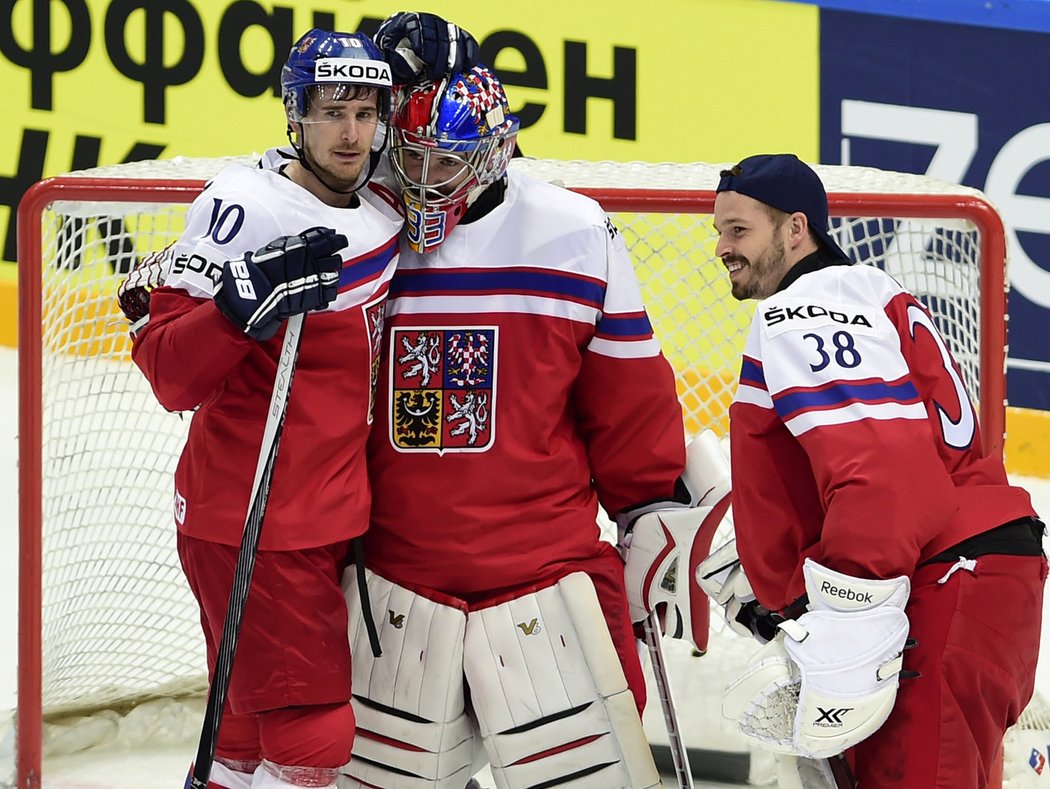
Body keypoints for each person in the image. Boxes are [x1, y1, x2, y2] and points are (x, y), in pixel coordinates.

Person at [336, 58, 733, 789]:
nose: (423, 179)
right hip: (391, 580)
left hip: (546, 579)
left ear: (492, 151)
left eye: (445, 161)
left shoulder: (574, 232)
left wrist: (651, 514)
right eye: (411, 156)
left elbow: (629, 407)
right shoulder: (357, 226)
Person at [118, 29, 408, 789]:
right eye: (332, 110)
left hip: (317, 510)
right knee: (313, 728)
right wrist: (237, 308)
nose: (351, 131)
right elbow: (170, 375)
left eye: (367, 111)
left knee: (244, 720)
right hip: (255, 513)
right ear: (295, 115)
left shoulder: (381, 196)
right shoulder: (243, 206)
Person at [699, 153, 1046, 788]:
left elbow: (882, 478)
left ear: (795, 228)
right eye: (719, 230)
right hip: (954, 576)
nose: (721, 246)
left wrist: (851, 611)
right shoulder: (865, 294)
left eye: (739, 229)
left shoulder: (809, 305)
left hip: (934, 585)